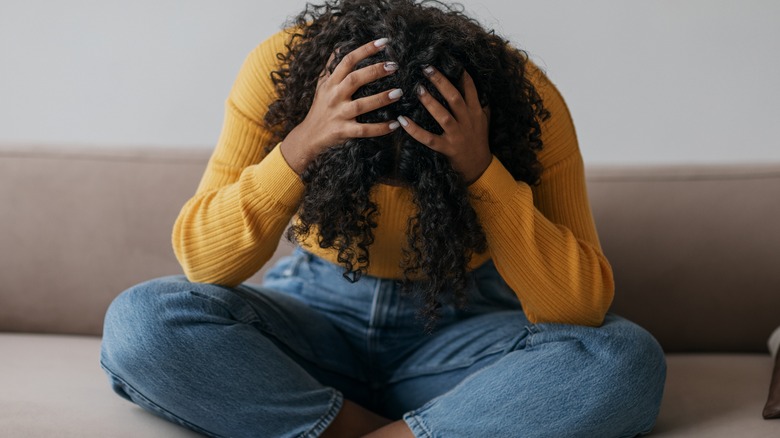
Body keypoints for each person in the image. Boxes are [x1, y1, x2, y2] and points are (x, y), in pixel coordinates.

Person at [100, 0, 666, 436]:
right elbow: (203, 260)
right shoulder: (280, 71)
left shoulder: (525, 101)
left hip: (460, 327)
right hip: (315, 312)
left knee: (625, 358)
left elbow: (580, 305)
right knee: (142, 321)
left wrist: (480, 170)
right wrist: (300, 147)